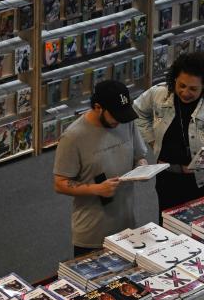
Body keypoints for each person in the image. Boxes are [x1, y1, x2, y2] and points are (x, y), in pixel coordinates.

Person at [133, 52, 204, 220]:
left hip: (203, 180)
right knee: (168, 227)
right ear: (174, 79)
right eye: (181, 85)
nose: (185, 92)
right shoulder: (159, 94)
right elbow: (137, 111)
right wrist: (152, 140)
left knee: (202, 229)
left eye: (193, 88)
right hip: (167, 177)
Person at [53, 80, 147, 256]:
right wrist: (97, 189)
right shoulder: (73, 137)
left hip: (127, 223)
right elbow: (60, 183)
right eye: (115, 116)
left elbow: (139, 156)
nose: (119, 121)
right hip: (92, 232)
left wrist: (142, 166)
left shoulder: (125, 121)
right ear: (98, 107)